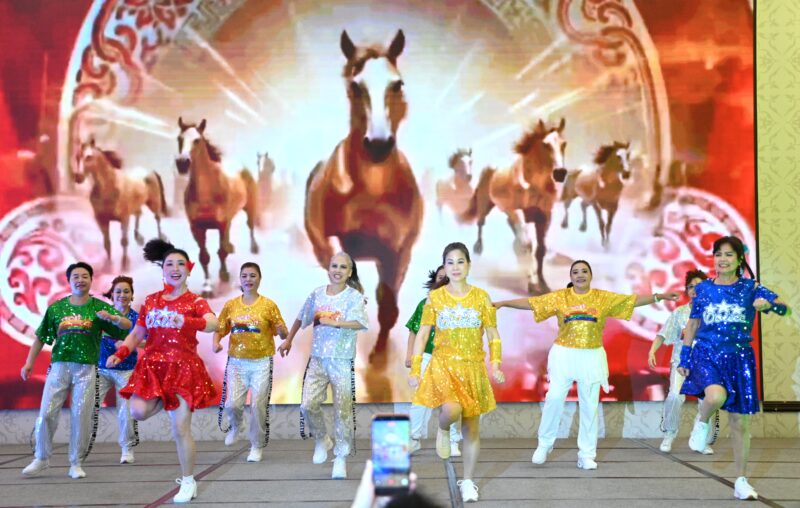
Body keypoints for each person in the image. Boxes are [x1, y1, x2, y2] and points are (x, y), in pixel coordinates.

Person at [494, 259, 679, 470]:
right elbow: (533, 303)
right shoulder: (560, 297)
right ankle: (544, 444)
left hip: (591, 356)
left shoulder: (602, 298)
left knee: (590, 406)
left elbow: (631, 301)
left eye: (584, 271)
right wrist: (504, 303)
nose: (580, 275)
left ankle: (587, 454)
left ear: (590, 275)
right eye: (575, 272)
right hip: (564, 354)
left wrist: (659, 296)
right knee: (554, 398)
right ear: (571, 277)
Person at [678, 236, 790, 501]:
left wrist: (770, 306)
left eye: (729, 255)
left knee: (740, 423)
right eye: (718, 254)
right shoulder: (704, 289)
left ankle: (741, 481)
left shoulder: (752, 287)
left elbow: (785, 310)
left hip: (739, 359)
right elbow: (692, 325)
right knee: (715, 396)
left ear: (739, 259)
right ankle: (701, 422)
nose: (723, 259)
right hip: (707, 354)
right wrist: (685, 358)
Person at [107, 239, 218, 503]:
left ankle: (188, 481)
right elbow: (137, 333)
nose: (175, 268)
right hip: (153, 368)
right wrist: (120, 353)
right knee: (137, 411)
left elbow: (213, 323)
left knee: (180, 429)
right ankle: (167, 402)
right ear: (163, 269)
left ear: (189, 268)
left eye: (180, 264)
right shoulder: (151, 301)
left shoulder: (195, 301)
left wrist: (187, 321)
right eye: (169, 264)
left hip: (183, 369)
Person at [408, 242, 505, 503]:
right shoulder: (436, 298)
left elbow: (493, 334)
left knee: (471, 429)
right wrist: (415, 369)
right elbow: (422, 334)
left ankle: (469, 481)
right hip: (443, 365)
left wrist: (496, 363)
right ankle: (442, 428)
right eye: (450, 262)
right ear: (444, 266)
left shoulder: (481, 297)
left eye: (460, 261)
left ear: (468, 265)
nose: (455, 267)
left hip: (472, 367)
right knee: (451, 410)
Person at [20, 262, 132, 479]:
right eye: (76, 277)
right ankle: (41, 458)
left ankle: (76, 462)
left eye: (84, 276)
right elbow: (41, 337)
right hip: (59, 367)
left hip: (86, 369)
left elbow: (126, 326)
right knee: (46, 413)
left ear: (91, 280)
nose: (80, 280)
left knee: (81, 415)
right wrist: (29, 363)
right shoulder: (57, 308)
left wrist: (114, 318)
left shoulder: (98, 308)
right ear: (69, 281)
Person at [278, 252, 368, 480]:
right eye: (334, 266)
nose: (337, 270)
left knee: (343, 410)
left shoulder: (354, 297)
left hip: (341, 360)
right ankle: (322, 438)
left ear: (349, 272)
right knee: (307, 405)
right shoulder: (317, 293)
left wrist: (336, 323)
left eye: (343, 267)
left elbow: (360, 322)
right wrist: (288, 339)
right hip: (318, 359)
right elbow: (302, 317)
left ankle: (341, 457)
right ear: (328, 269)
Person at [213, 262, 288, 463]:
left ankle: (256, 445)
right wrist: (215, 342)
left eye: (253, 276)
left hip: (261, 362)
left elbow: (283, 333)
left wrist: (282, 331)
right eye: (244, 276)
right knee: (232, 404)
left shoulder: (269, 305)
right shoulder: (231, 305)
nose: (248, 279)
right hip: (237, 362)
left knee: (257, 406)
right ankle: (236, 426)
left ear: (259, 279)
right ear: (240, 279)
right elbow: (220, 328)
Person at [648, 269, 716, 454]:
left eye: (699, 286)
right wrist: (652, 351)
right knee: (674, 396)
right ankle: (669, 434)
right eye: (691, 287)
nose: (694, 290)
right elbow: (663, 334)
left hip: (706, 363)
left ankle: (701, 440)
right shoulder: (680, 313)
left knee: (707, 401)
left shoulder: (714, 311)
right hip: (681, 362)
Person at [403, 266, 461, 456]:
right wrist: (410, 355)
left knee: (453, 399)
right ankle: (413, 438)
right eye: (440, 277)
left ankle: (453, 441)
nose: (443, 281)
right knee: (420, 398)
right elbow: (414, 332)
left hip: (452, 357)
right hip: (426, 355)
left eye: (447, 277)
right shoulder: (424, 304)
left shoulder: (461, 303)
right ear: (435, 280)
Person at [97, 276, 141, 464]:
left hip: (126, 370)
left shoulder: (137, 318)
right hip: (101, 369)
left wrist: (127, 345)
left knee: (126, 411)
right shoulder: (103, 315)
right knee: (88, 407)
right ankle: (81, 448)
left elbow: (147, 341)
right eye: (118, 291)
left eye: (126, 291)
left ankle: (127, 449)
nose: (122, 295)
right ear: (112, 295)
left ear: (132, 295)